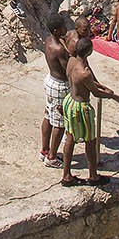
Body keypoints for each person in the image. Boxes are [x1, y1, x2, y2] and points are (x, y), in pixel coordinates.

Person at [61, 38, 119, 187]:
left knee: (70, 138)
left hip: (69, 101)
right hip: (81, 107)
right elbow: (95, 92)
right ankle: (93, 176)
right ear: (89, 52)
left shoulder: (71, 62)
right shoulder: (85, 72)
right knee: (90, 141)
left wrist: (102, 87)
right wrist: (112, 96)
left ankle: (66, 175)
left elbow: (85, 82)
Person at [41, 14, 71, 166]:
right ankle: (52, 157)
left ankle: (44, 150)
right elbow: (68, 69)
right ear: (56, 30)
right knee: (59, 123)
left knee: (48, 116)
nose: (65, 28)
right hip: (60, 86)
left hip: (50, 81)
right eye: (62, 27)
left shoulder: (48, 41)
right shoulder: (59, 49)